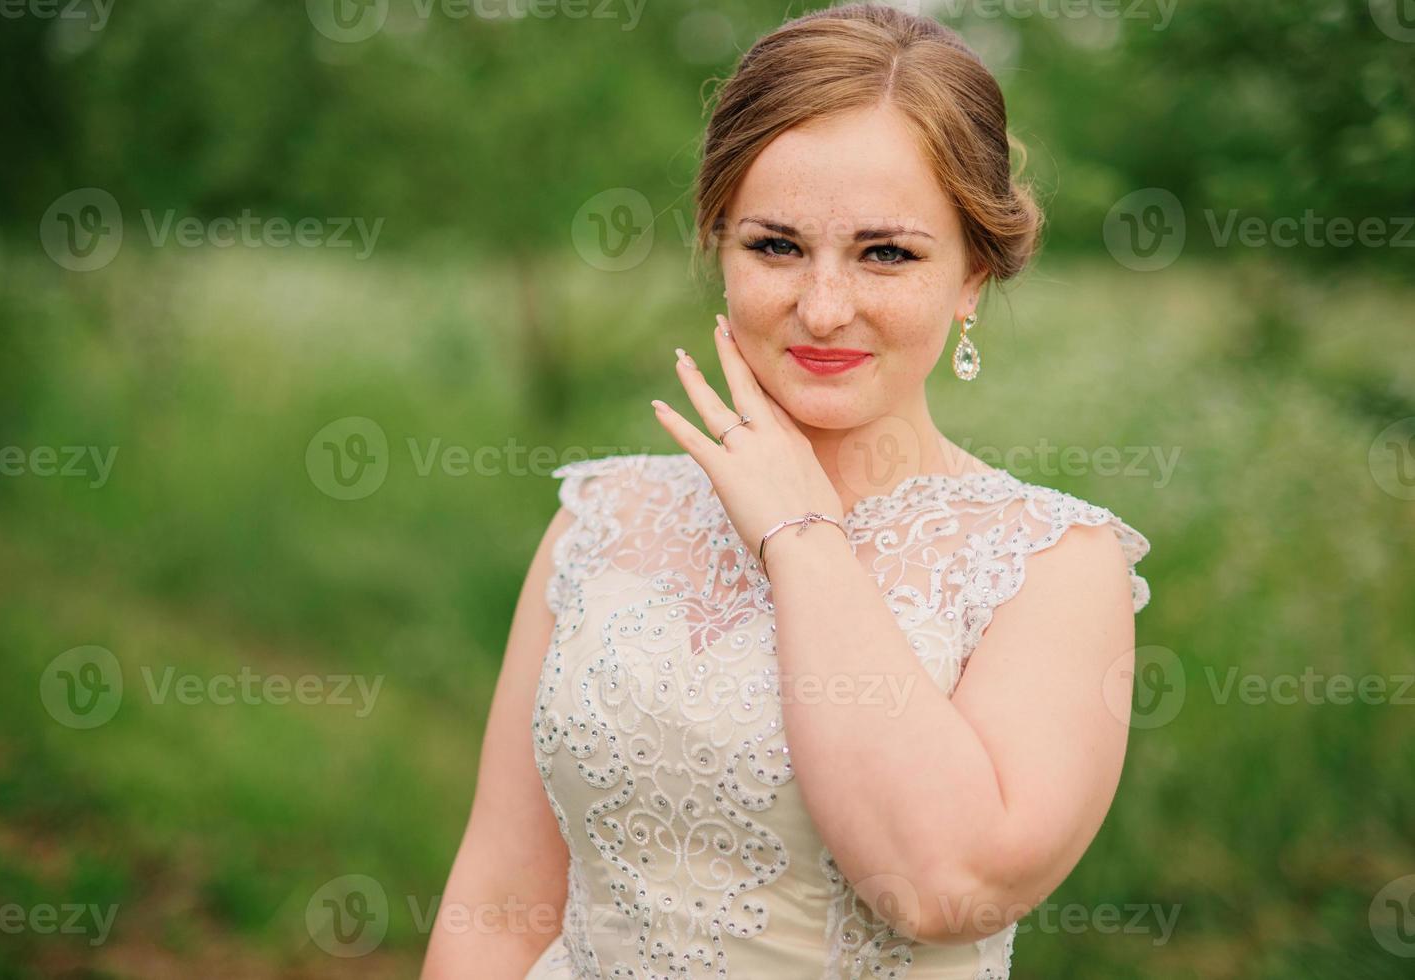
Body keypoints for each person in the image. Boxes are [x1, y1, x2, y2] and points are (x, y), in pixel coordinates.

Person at [422, 4, 1151, 977]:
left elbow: (945, 887)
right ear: (717, 243)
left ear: (973, 271)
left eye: (885, 252)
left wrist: (799, 533)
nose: (822, 306)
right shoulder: (596, 521)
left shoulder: (1053, 568)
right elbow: (500, 898)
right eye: (774, 246)